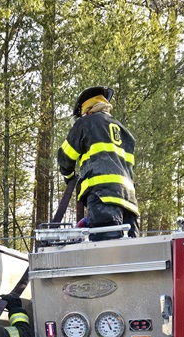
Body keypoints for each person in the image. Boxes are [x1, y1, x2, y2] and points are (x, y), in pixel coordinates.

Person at [58, 85, 139, 240]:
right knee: (131, 256)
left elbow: (64, 157)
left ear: (85, 110)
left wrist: (68, 176)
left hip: (103, 197)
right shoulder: (125, 132)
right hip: (130, 205)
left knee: (104, 255)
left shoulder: (86, 123)